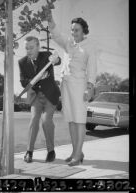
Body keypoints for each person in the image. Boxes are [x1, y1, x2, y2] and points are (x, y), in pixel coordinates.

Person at [46, 10, 97, 166]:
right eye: (72, 29)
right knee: (71, 121)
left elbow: (92, 68)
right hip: (66, 85)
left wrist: (90, 88)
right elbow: (56, 35)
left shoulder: (89, 46)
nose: (73, 32)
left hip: (80, 86)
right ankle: (77, 152)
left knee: (80, 121)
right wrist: (50, 20)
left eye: (76, 30)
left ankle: (77, 155)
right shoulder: (68, 43)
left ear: (84, 31)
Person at [18, 36, 61, 163]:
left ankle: (51, 151)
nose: (28, 51)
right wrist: (37, 79)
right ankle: (29, 152)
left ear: (38, 46)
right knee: (34, 119)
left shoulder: (46, 55)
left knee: (46, 120)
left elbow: (57, 61)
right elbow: (23, 82)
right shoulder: (22, 62)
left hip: (50, 94)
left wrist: (56, 59)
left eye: (31, 48)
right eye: (26, 48)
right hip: (35, 96)